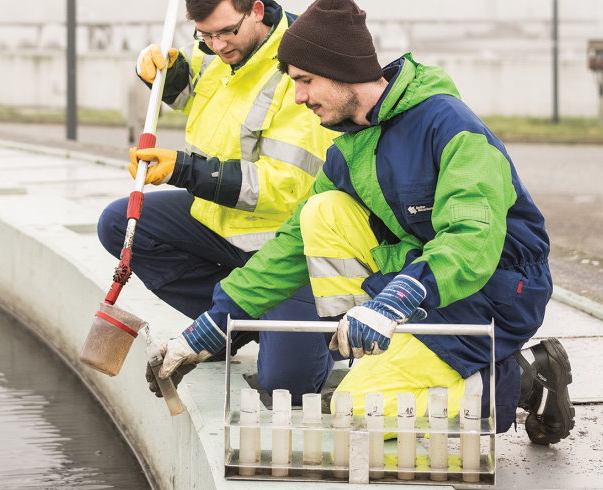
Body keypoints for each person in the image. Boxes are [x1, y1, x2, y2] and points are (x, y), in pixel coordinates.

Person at [153, 0, 575, 445]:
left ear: (340, 69)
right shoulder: (350, 148)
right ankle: (370, 355)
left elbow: (471, 241)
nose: (298, 97)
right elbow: (292, 244)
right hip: (418, 285)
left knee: (355, 412)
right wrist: (209, 328)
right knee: (322, 212)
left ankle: (526, 381)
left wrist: (396, 300)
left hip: (492, 291)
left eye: (304, 81)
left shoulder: (449, 127)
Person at [96, 0, 339, 401]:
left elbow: (283, 188)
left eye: (226, 31)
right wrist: (169, 76)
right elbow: (204, 97)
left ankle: (321, 327)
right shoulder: (214, 48)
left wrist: (183, 169)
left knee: (285, 388)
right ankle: (235, 325)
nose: (218, 44)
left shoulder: (301, 69)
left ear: (257, 10)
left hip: (288, 246)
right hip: (222, 223)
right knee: (119, 223)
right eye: (206, 34)